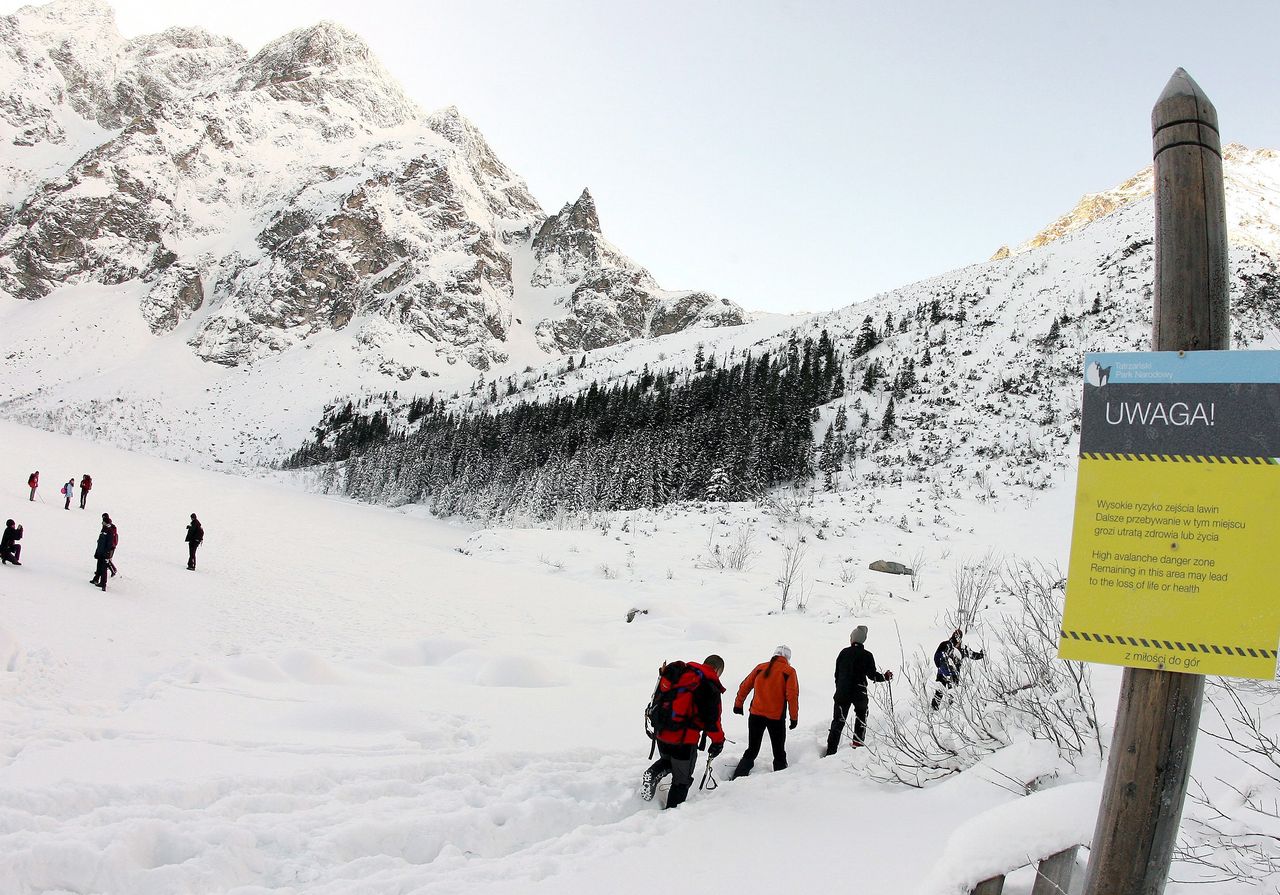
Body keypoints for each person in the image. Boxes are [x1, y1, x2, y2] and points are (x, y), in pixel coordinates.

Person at [640, 654, 727, 809]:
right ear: (718, 670)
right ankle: (671, 815)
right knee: (681, 780)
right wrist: (718, 741)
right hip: (684, 740)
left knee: (668, 761)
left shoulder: (682, 673)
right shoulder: (709, 684)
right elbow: (713, 721)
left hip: (661, 733)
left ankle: (652, 773)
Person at [730, 645, 799, 779]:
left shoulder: (761, 667)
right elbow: (792, 696)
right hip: (776, 718)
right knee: (779, 752)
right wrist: (793, 717)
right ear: (788, 658)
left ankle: (737, 778)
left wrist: (738, 704)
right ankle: (780, 779)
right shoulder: (789, 671)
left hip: (755, 715)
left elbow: (745, 685)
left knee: (752, 749)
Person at [825, 625, 893, 756]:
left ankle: (831, 750)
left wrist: (839, 687)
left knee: (838, 721)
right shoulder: (867, 655)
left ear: (853, 639)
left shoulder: (843, 653)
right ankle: (858, 743)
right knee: (861, 715)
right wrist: (884, 677)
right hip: (859, 692)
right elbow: (872, 675)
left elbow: (837, 674)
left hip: (842, 692)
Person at [931, 628, 985, 710]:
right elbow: (937, 656)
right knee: (947, 692)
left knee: (946, 692)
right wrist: (940, 665)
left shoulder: (960, 647)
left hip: (948, 674)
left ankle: (943, 709)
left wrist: (981, 655)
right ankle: (943, 709)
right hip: (947, 673)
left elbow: (973, 655)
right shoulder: (948, 645)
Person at [90, 513, 116, 591]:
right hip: (100, 552)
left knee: (104, 569)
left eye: (103, 522)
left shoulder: (110, 531)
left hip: (105, 553)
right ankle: (96, 579)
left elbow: (109, 544)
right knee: (98, 567)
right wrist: (97, 552)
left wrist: (107, 554)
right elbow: (100, 542)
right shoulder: (104, 529)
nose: (102, 523)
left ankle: (103, 584)